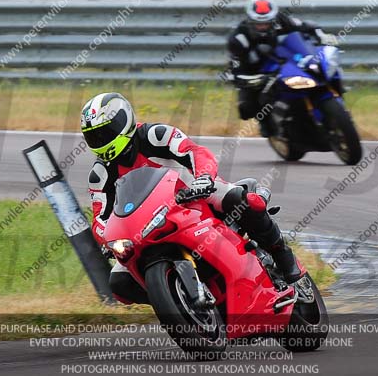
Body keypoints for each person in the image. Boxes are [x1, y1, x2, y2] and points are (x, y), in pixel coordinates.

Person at [81, 92, 305, 305]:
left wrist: (204, 179)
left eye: (106, 132)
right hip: (147, 225)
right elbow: (100, 218)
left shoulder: (155, 134)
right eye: (94, 136)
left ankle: (283, 256)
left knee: (239, 199)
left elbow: (195, 152)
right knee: (119, 282)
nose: (100, 140)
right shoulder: (100, 174)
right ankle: (177, 300)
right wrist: (108, 238)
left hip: (193, 194)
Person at [227, 0, 337, 137]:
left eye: (267, 23)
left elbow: (305, 26)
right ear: (249, 21)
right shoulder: (238, 39)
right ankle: (268, 125)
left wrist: (322, 35)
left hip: (281, 61)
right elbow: (235, 74)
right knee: (246, 109)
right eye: (258, 24)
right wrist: (259, 80)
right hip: (254, 72)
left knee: (319, 70)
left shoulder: (282, 20)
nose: (263, 27)